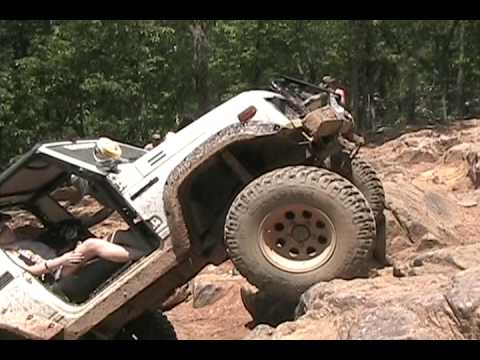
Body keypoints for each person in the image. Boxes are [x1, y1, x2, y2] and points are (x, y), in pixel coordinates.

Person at [0, 212, 145, 280]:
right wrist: (63, 259)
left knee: (118, 235)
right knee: (91, 245)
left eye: (6, 226)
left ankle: (152, 248)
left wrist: (67, 252)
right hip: (56, 274)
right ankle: (143, 257)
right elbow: (31, 271)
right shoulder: (8, 254)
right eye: (2, 230)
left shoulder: (21, 240)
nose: (8, 229)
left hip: (62, 261)